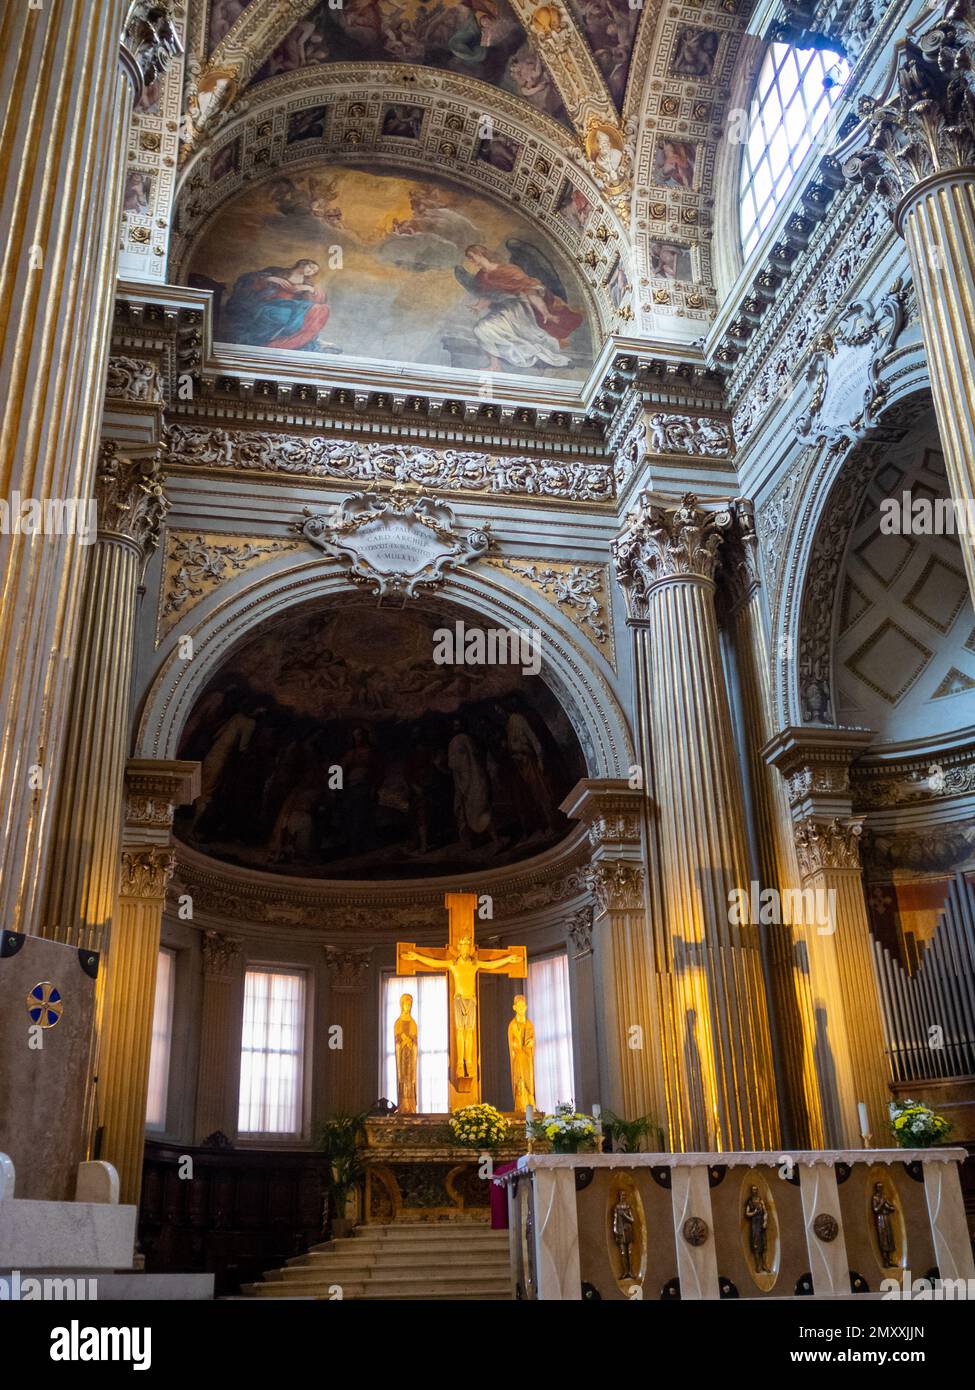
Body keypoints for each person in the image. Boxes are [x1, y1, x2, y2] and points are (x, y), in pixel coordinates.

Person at [458, 244, 582, 371]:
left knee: (490, 330)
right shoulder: (481, 276)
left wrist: (546, 313)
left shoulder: (509, 270)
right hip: (502, 310)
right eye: (469, 259)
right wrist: (478, 306)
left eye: (472, 257)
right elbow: (487, 295)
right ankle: (494, 364)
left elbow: (530, 291)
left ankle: (529, 353)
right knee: (482, 329)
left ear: (480, 254)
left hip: (518, 309)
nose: (471, 261)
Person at [221, 259, 330, 350]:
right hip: (269, 304)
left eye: (313, 271)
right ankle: (279, 341)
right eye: (310, 267)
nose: (311, 271)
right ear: (302, 264)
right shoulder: (277, 272)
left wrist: (309, 289)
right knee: (280, 315)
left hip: (293, 307)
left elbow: (320, 299)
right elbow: (247, 280)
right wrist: (270, 279)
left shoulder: (307, 283)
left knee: (322, 309)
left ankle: (302, 339)